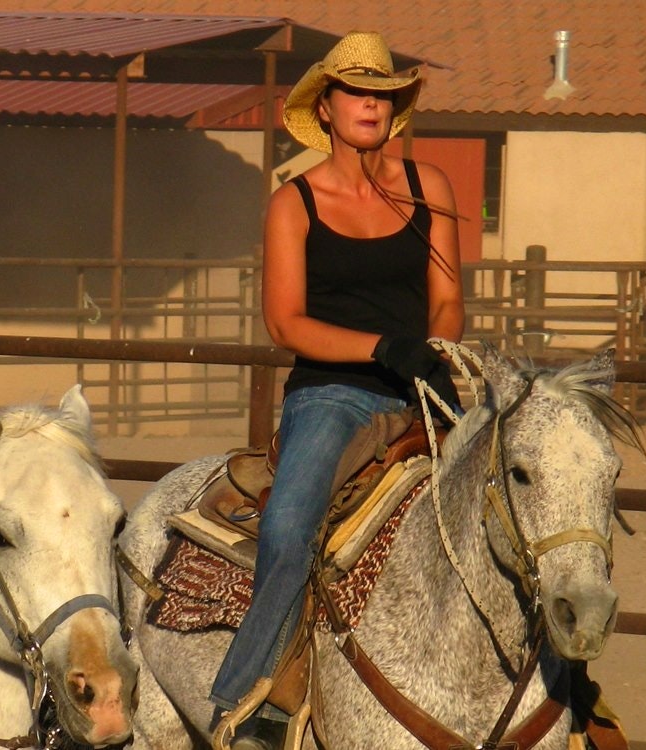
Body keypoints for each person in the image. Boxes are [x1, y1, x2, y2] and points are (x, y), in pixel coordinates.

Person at [209, 31, 465, 747]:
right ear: (324, 108)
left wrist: (434, 349)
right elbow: (286, 322)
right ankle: (244, 697)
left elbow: (448, 297)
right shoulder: (294, 203)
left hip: (422, 383)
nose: (370, 105)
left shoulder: (429, 185)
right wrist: (382, 346)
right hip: (333, 395)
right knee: (290, 528)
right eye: (355, 92)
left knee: (520, 488)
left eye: (381, 94)